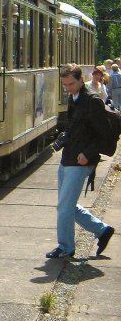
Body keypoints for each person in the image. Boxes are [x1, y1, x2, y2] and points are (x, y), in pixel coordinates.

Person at [46, 63, 114, 259]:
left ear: (80, 79)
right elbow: (74, 127)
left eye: (71, 84)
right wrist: (63, 139)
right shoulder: (73, 98)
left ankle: (66, 247)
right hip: (69, 158)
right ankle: (102, 230)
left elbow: (104, 134)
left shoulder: (92, 100)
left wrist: (88, 153)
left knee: (65, 207)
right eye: (65, 85)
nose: (68, 88)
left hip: (81, 160)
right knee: (66, 205)